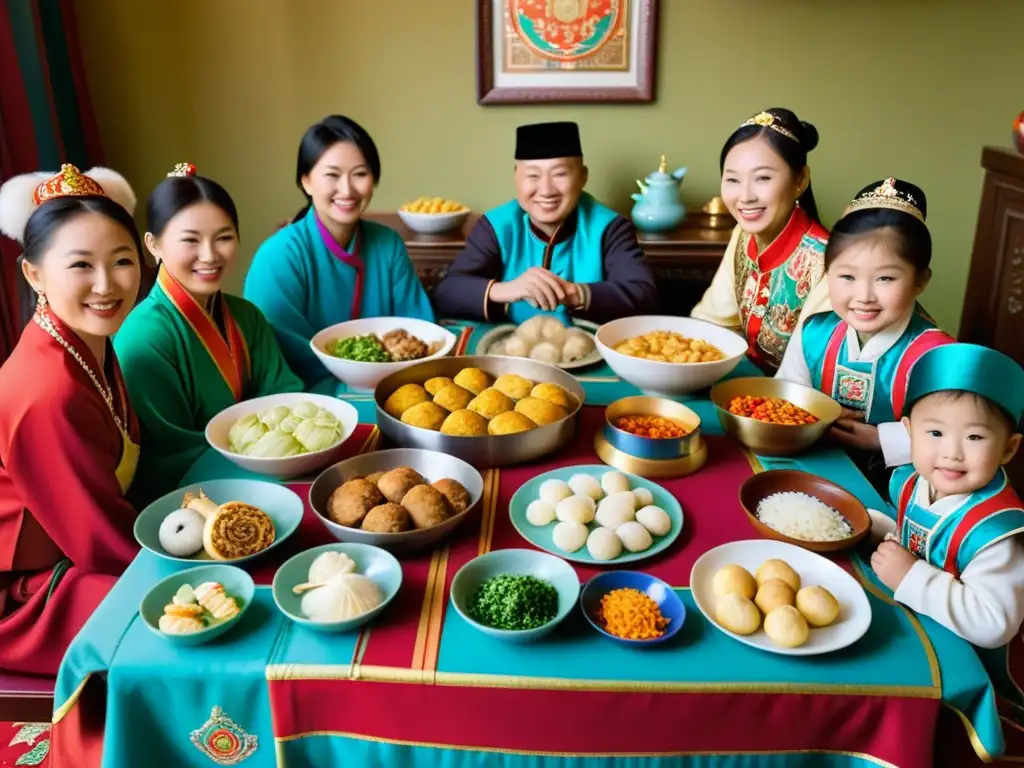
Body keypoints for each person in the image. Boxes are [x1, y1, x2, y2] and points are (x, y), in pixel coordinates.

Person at [0, 164, 142, 675]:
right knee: (193, 616)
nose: (107, 285)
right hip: (28, 593)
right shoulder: (48, 389)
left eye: (122, 260)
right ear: (34, 273)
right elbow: (100, 544)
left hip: (78, 548)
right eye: (81, 265)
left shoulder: (86, 342)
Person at [114, 163, 304, 506]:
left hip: (264, 476)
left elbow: (285, 396)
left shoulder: (246, 316)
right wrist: (260, 451)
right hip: (191, 499)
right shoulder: (143, 338)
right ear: (153, 245)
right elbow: (171, 453)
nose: (210, 255)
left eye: (224, 238)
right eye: (190, 240)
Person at [775, 178, 955, 471]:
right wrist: (814, 414)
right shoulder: (815, 332)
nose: (864, 296)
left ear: (921, 280)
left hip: (901, 488)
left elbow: (954, 435)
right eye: (847, 277)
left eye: (885, 278)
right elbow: (786, 394)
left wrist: (882, 440)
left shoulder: (937, 354)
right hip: (813, 465)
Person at [244, 115, 435, 386]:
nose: (347, 190)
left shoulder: (388, 244)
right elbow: (281, 353)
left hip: (393, 387)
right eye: (332, 175)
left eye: (360, 174)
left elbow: (420, 331)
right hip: (307, 397)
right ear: (306, 181)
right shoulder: (278, 256)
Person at [868, 343, 1024, 650]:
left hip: (968, 660)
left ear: (1008, 448)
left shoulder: (994, 532)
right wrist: (874, 528)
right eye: (936, 433)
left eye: (974, 437)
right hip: (914, 630)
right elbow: (923, 539)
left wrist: (911, 577)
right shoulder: (912, 482)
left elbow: (994, 625)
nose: (952, 454)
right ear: (909, 432)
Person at [430, 120, 658, 326]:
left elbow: (643, 294)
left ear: (583, 177)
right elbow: (447, 293)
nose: (546, 190)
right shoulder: (497, 225)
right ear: (516, 177)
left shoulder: (610, 227)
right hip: (509, 351)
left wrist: (573, 293)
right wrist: (506, 290)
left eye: (560, 174)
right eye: (533, 176)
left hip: (588, 350)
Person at [691, 108, 829, 373]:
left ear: (800, 180)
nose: (745, 196)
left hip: (802, 400)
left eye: (762, 178)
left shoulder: (827, 261)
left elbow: (816, 369)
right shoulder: (743, 235)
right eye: (732, 179)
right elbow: (713, 321)